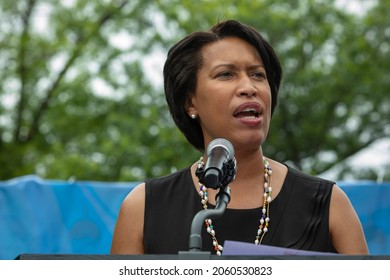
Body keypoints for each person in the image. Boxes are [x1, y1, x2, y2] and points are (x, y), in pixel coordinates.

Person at [110, 19, 368, 255]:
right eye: (226, 74)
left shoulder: (328, 203)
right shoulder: (144, 206)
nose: (249, 87)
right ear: (190, 102)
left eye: (258, 74)